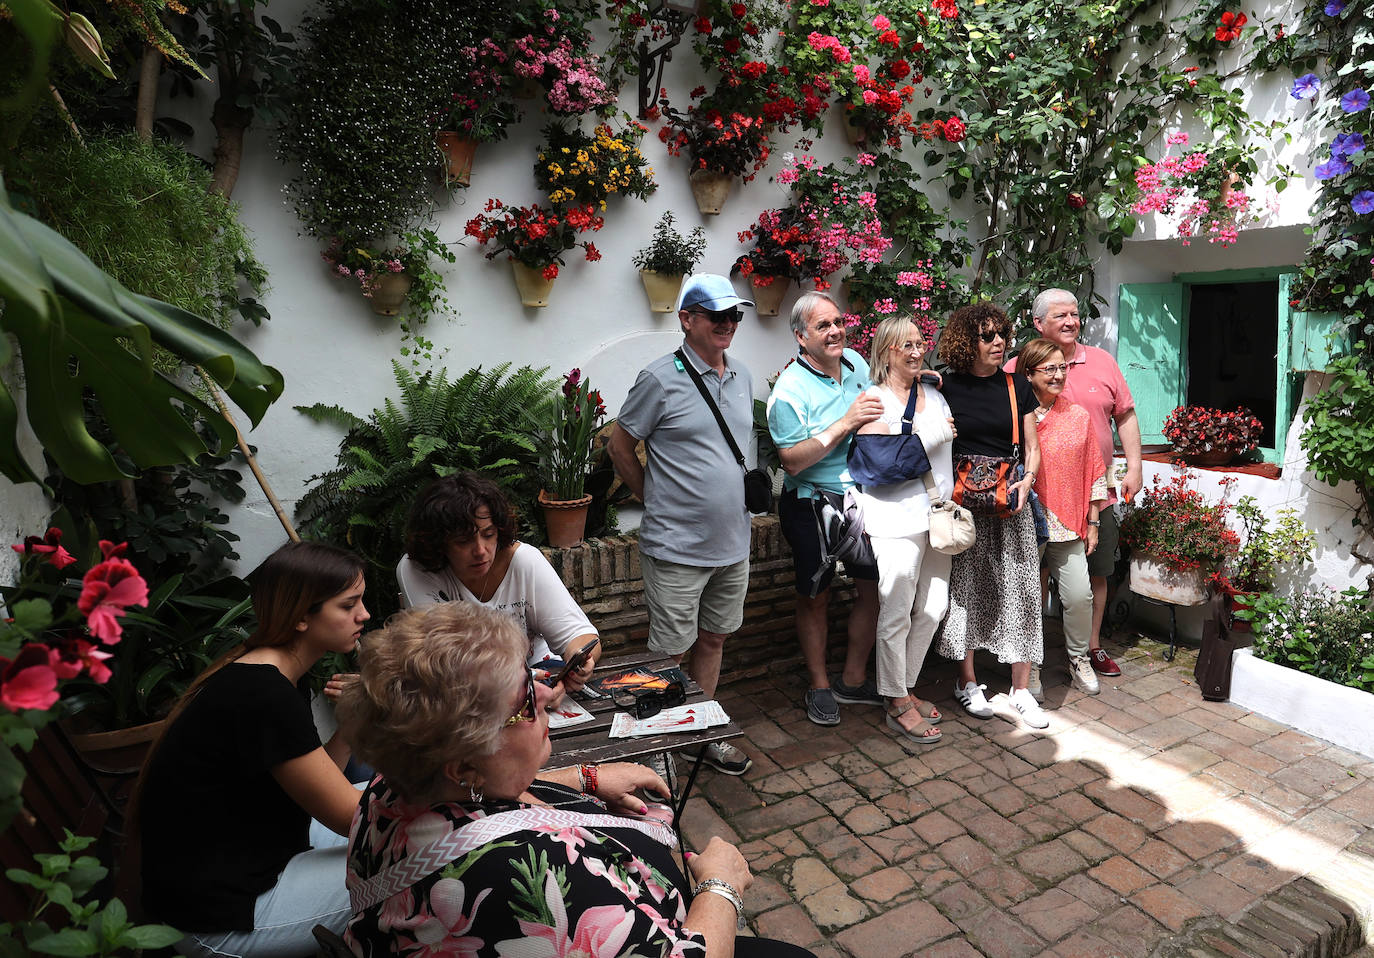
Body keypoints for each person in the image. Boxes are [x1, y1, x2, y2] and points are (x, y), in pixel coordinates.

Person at [336, 602, 817, 958]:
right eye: (524, 700)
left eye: (531, 677)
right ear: (464, 765)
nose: (546, 694)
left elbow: (488, 802)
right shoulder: (520, 876)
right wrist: (720, 887)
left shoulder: (390, 788)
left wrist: (583, 777)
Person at [136, 541, 371, 957]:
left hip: (259, 860)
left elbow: (316, 791)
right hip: (224, 917)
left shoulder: (271, 672)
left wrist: (351, 723)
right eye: (348, 604)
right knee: (421, 853)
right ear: (302, 616)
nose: (364, 615)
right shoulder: (263, 694)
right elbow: (351, 819)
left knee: (400, 804)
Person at [607, 273, 756, 776]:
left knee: (713, 639)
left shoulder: (743, 376)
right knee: (667, 651)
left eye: (734, 315)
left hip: (732, 543)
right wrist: (650, 495)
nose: (728, 324)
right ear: (687, 319)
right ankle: (657, 750)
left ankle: (696, 731)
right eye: (717, 315)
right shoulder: (659, 378)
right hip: (675, 548)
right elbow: (618, 444)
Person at [1007, 288, 1143, 680]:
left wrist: (1134, 467)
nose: (1070, 322)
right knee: (1033, 580)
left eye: (1074, 314)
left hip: (1090, 493)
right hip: (1032, 503)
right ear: (1038, 324)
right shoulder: (1015, 368)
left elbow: (1126, 415)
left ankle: (1090, 648)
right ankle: (1028, 660)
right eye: (1060, 316)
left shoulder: (1100, 361)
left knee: (1095, 574)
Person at [766, 291, 883, 726]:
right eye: (823, 326)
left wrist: (916, 379)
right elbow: (792, 460)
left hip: (863, 499)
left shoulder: (855, 362)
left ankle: (852, 680)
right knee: (815, 596)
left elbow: (879, 404)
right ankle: (818, 684)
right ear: (800, 336)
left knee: (872, 588)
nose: (836, 331)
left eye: (837, 321)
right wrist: (846, 422)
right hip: (810, 503)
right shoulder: (788, 391)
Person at [935, 303, 1047, 729]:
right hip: (963, 504)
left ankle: (1021, 688)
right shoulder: (946, 386)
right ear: (968, 341)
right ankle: (967, 682)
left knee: (1022, 589)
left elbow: (1033, 446)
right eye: (987, 335)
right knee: (965, 589)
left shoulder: (1018, 385)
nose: (999, 342)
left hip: (1009, 499)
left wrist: (1028, 480)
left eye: (1001, 333)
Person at [395, 472, 600, 690]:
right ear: (439, 542)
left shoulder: (524, 561)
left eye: (488, 534)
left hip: (541, 672)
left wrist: (579, 662)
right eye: (464, 540)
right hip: (465, 690)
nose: (480, 551)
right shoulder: (416, 570)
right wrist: (520, 684)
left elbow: (580, 635)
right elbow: (442, 663)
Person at [853, 315, 956, 745]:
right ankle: (894, 700)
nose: (916, 351)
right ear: (885, 351)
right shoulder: (874, 399)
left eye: (919, 342)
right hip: (895, 519)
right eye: (905, 345)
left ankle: (905, 686)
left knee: (933, 607)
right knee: (896, 610)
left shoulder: (934, 393)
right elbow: (881, 466)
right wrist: (932, 435)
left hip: (939, 515)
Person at [1018, 337, 1108, 696]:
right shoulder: (1017, 416)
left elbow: (1094, 470)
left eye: (1062, 367)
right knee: (1029, 598)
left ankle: (1078, 658)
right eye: (1049, 369)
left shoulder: (1077, 416)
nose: (1058, 375)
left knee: (1078, 596)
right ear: (1029, 374)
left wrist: (1094, 520)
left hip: (1068, 522)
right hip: (1025, 522)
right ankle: (1032, 666)